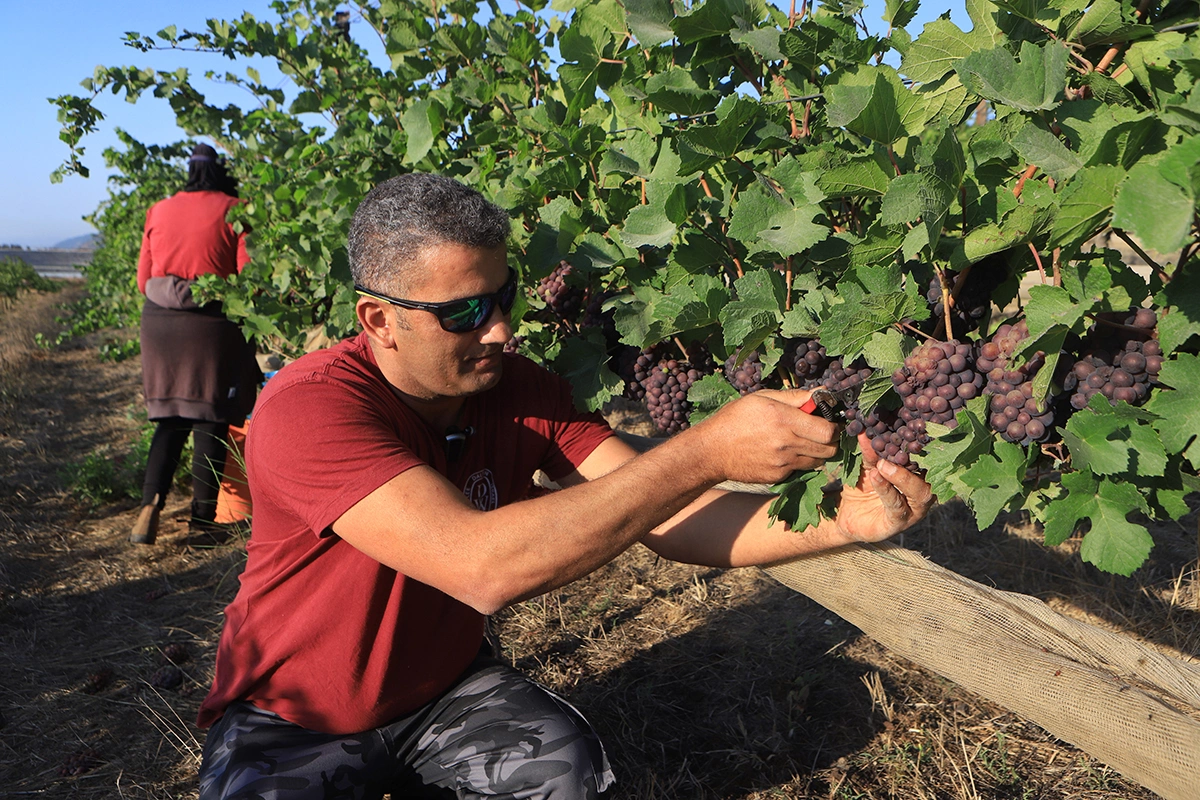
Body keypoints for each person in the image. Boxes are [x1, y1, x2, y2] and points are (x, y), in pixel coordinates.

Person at [195, 173, 935, 799]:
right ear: (379, 319)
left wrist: (845, 522)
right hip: (288, 716)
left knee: (565, 775)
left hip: (441, 694)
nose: (499, 329)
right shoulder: (310, 407)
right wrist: (707, 450)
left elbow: (669, 514)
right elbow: (481, 566)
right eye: (463, 313)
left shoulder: (518, 388)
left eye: (502, 295)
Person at [129, 143, 261, 545]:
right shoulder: (235, 208)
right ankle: (202, 522)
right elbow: (246, 276)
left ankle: (150, 503)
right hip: (209, 325)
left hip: (160, 323)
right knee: (210, 419)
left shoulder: (159, 209)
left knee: (170, 419)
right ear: (220, 172)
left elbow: (142, 280)